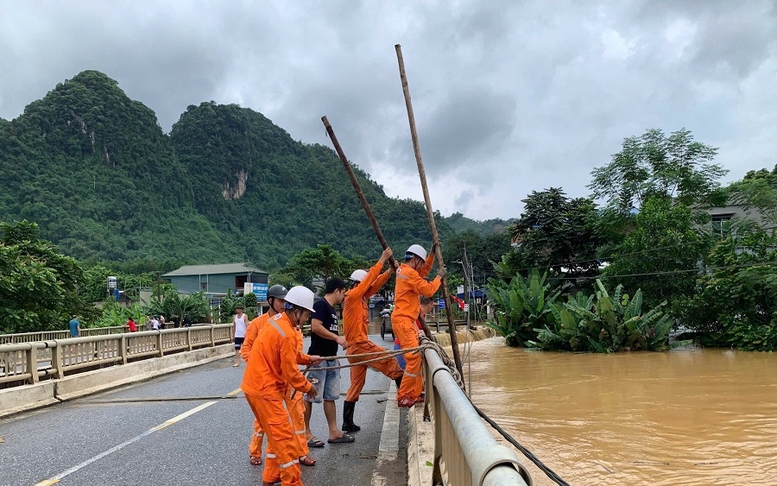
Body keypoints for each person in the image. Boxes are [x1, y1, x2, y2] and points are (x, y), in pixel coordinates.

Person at [241, 286, 322, 486]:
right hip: (265, 389)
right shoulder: (286, 332)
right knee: (286, 438)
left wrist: (307, 359)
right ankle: (292, 481)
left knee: (276, 436)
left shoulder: (277, 322)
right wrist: (307, 387)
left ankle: (271, 476)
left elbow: (289, 356)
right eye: (305, 315)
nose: (305, 320)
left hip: (256, 388)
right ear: (297, 311)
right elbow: (290, 372)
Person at [342, 247, 404, 433]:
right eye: (364, 286)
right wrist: (382, 259)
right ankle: (404, 397)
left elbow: (374, 284)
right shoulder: (352, 296)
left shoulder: (361, 298)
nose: (368, 289)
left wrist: (389, 272)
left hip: (355, 351)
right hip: (359, 347)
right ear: (358, 284)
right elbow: (370, 280)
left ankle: (347, 422)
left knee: (356, 385)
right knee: (391, 361)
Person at [393, 244, 445, 408]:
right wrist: (439, 277)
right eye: (421, 262)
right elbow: (428, 290)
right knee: (413, 358)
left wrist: (431, 255)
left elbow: (423, 271)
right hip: (404, 321)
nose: (423, 267)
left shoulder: (406, 272)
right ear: (415, 260)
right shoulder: (409, 274)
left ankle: (414, 394)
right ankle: (404, 396)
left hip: (404, 320)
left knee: (415, 358)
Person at [304, 278, 353, 446]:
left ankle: (333, 432)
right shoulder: (321, 305)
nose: (344, 297)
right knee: (310, 395)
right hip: (319, 359)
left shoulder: (332, 310)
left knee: (330, 397)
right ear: (337, 290)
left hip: (331, 359)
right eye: (343, 293)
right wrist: (337, 338)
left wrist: (336, 349)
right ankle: (305, 433)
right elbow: (316, 326)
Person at [394, 296, 436, 370]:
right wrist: (418, 331)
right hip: (403, 345)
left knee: (412, 371)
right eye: (432, 305)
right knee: (405, 372)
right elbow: (411, 324)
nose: (432, 307)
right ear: (429, 305)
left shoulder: (423, 314)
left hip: (411, 346)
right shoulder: (416, 311)